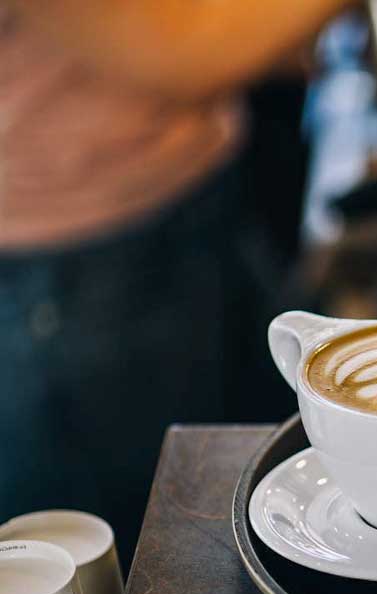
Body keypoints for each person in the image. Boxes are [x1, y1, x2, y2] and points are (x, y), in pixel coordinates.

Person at [0, 0, 352, 563]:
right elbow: (176, 49)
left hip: (190, 192)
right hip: (76, 273)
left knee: (253, 526)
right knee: (142, 578)